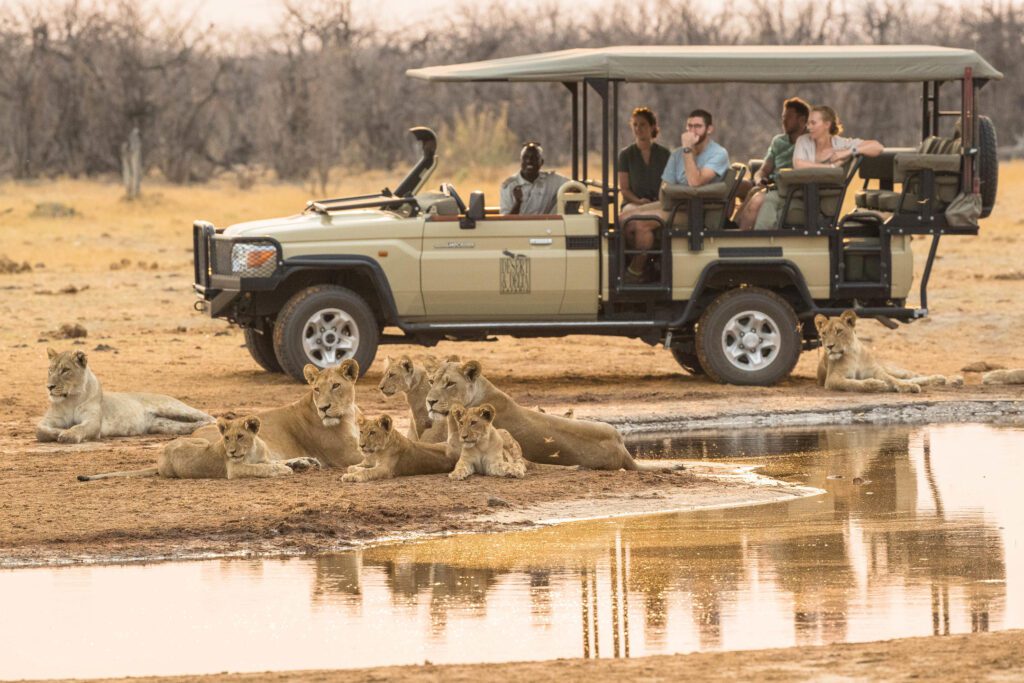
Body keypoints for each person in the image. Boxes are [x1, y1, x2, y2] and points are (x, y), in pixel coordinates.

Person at [620, 109, 729, 281]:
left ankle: (635, 273)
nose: (693, 131)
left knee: (641, 225)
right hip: (674, 204)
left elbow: (695, 182)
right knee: (625, 218)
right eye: (690, 126)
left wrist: (687, 150)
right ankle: (649, 264)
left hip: (694, 210)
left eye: (698, 126)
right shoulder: (678, 153)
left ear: (709, 129)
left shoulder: (718, 153)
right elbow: (665, 185)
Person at [752, 105, 883, 230]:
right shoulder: (803, 141)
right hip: (799, 194)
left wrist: (848, 152)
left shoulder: (842, 145)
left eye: (813, 123)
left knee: (770, 201)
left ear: (827, 124)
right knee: (769, 198)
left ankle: (764, 242)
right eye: (808, 123)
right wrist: (831, 167)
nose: (808, 127)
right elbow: (799, 165)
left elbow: (877, 147)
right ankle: (762, 240)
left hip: (818, 197)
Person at [735, 97, 810, 231]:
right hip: (771, 185)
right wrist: (759, 179)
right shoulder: (778, 141)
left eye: (789, 117)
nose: (784, 121)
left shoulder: (810, 142)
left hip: (789, 189)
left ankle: (742, 238)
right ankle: (731, 228)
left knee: (757, 197)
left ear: (802, 120)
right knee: (749, 188)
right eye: (783, 117)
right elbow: (763, 170)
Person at [618, 107, 671, 210]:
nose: (638, 128)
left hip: (658, 203)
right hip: (633, 204)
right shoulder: (626, 155)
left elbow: (669, 184)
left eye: (642, 124)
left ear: (652, 127)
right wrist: (638, 201)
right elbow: (624, 189)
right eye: (635, 125)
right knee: (635, 214)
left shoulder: (664, 154)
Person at [500, 143, 569, 215]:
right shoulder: (509, 185)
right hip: (519, 226)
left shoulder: (552, 180)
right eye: (526, 157)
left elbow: (574, 185)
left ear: (541, 162)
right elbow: (506, 221)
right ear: (521, 161)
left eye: (534, 158)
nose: (529, 161)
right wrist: (518, 203)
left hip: (544, 226)